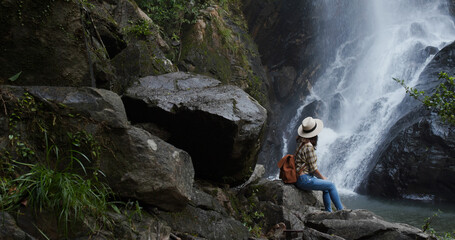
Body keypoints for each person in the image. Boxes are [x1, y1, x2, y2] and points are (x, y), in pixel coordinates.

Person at [294, 116, 343, 212]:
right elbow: (313, 169)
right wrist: (323, 178)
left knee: (325, 188)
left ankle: (329, 211)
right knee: (331, 185)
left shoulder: (301, 143)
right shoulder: (309, 147)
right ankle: (341, 211)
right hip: (304, 179)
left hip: (300, 177)